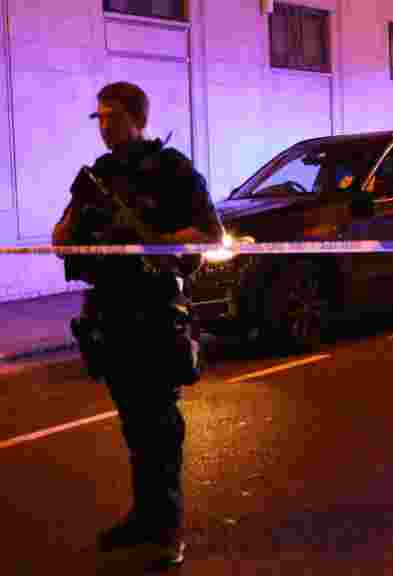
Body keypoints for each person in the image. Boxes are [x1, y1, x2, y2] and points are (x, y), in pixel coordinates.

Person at [52, 81, 221, 568]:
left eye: (113, 116)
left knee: (160, 427)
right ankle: (144, 518)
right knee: (134, 426)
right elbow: (61, 239)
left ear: (137, 118)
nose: (104, 126)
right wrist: (77, 223)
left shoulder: (172, 170)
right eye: (99, 117)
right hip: (110, 313)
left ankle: (167, 530)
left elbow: (210, 233)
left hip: (154, 311)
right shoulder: (97, 176)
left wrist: (155, 241)